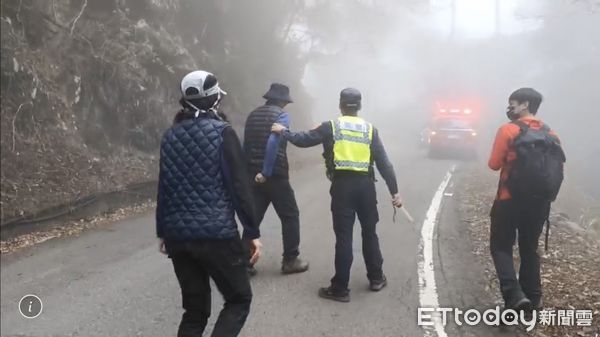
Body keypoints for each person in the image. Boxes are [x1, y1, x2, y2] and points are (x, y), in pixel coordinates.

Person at [271, 87, 403, 302]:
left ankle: (340, 288)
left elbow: (304, 140)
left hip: (343, 187)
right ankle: (377, 278)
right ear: (359, 106)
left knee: (344, 237)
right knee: (369, 232)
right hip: (366, 186)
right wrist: (394, 191)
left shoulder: (331, 126)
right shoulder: (370, 129)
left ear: (340, 105)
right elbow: (384, 164)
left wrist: (282, 131)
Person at [156, 70, 262, 337]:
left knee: (194, 312)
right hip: (217, 236)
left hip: (178, 237)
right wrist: (251, 231)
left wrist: (163, 232)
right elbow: (239, 186)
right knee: (238, 300)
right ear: (214, 99)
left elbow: (163, 188)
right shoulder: (223, 133)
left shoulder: (170, 136)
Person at [488, 87, 565, 312]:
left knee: (501, 246)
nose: (509, 107)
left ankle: (513, 295)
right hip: (540, 203)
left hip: (508, 200)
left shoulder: (508, 130)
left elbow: (493, 164)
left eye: (513, 103)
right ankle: (533, 298)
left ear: (525, 105)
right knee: (529, 248)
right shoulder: (552, 134)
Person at [242, 83, 309, 275]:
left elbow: (245, 145)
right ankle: (291, 259)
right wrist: (267, 172)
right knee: (290, 215)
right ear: (282, 101)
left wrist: (247, 172)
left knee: (253, 217)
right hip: (274, 174)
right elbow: (273, 142)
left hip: (252, 174)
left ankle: (245, 262)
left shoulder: (252, 115)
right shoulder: (281, 116)